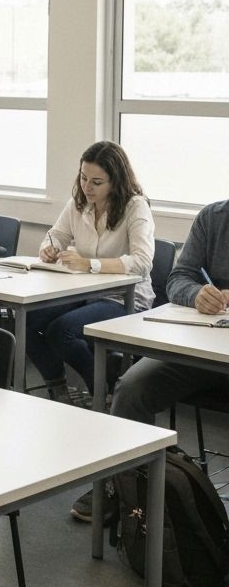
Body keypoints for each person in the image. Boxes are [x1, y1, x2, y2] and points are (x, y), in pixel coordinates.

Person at [72, 197, 228, 523]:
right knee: (131, 388)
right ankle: (125, 491)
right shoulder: (213, 218)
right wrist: (196, 294)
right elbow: (179, 278)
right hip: (199, 351)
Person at [26, 141, 154, 405]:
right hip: (85, 293)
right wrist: (49, 249)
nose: (87, 187)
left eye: (97, 182)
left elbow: (142, 261)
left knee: (62, 331)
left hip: (124, 298)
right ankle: (58, 387)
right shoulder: (78, 203)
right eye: (84, 178)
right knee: (29, 319)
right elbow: (55, 236)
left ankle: (104, 390)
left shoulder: (135, 206)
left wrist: (90, 264)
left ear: (115, 182)